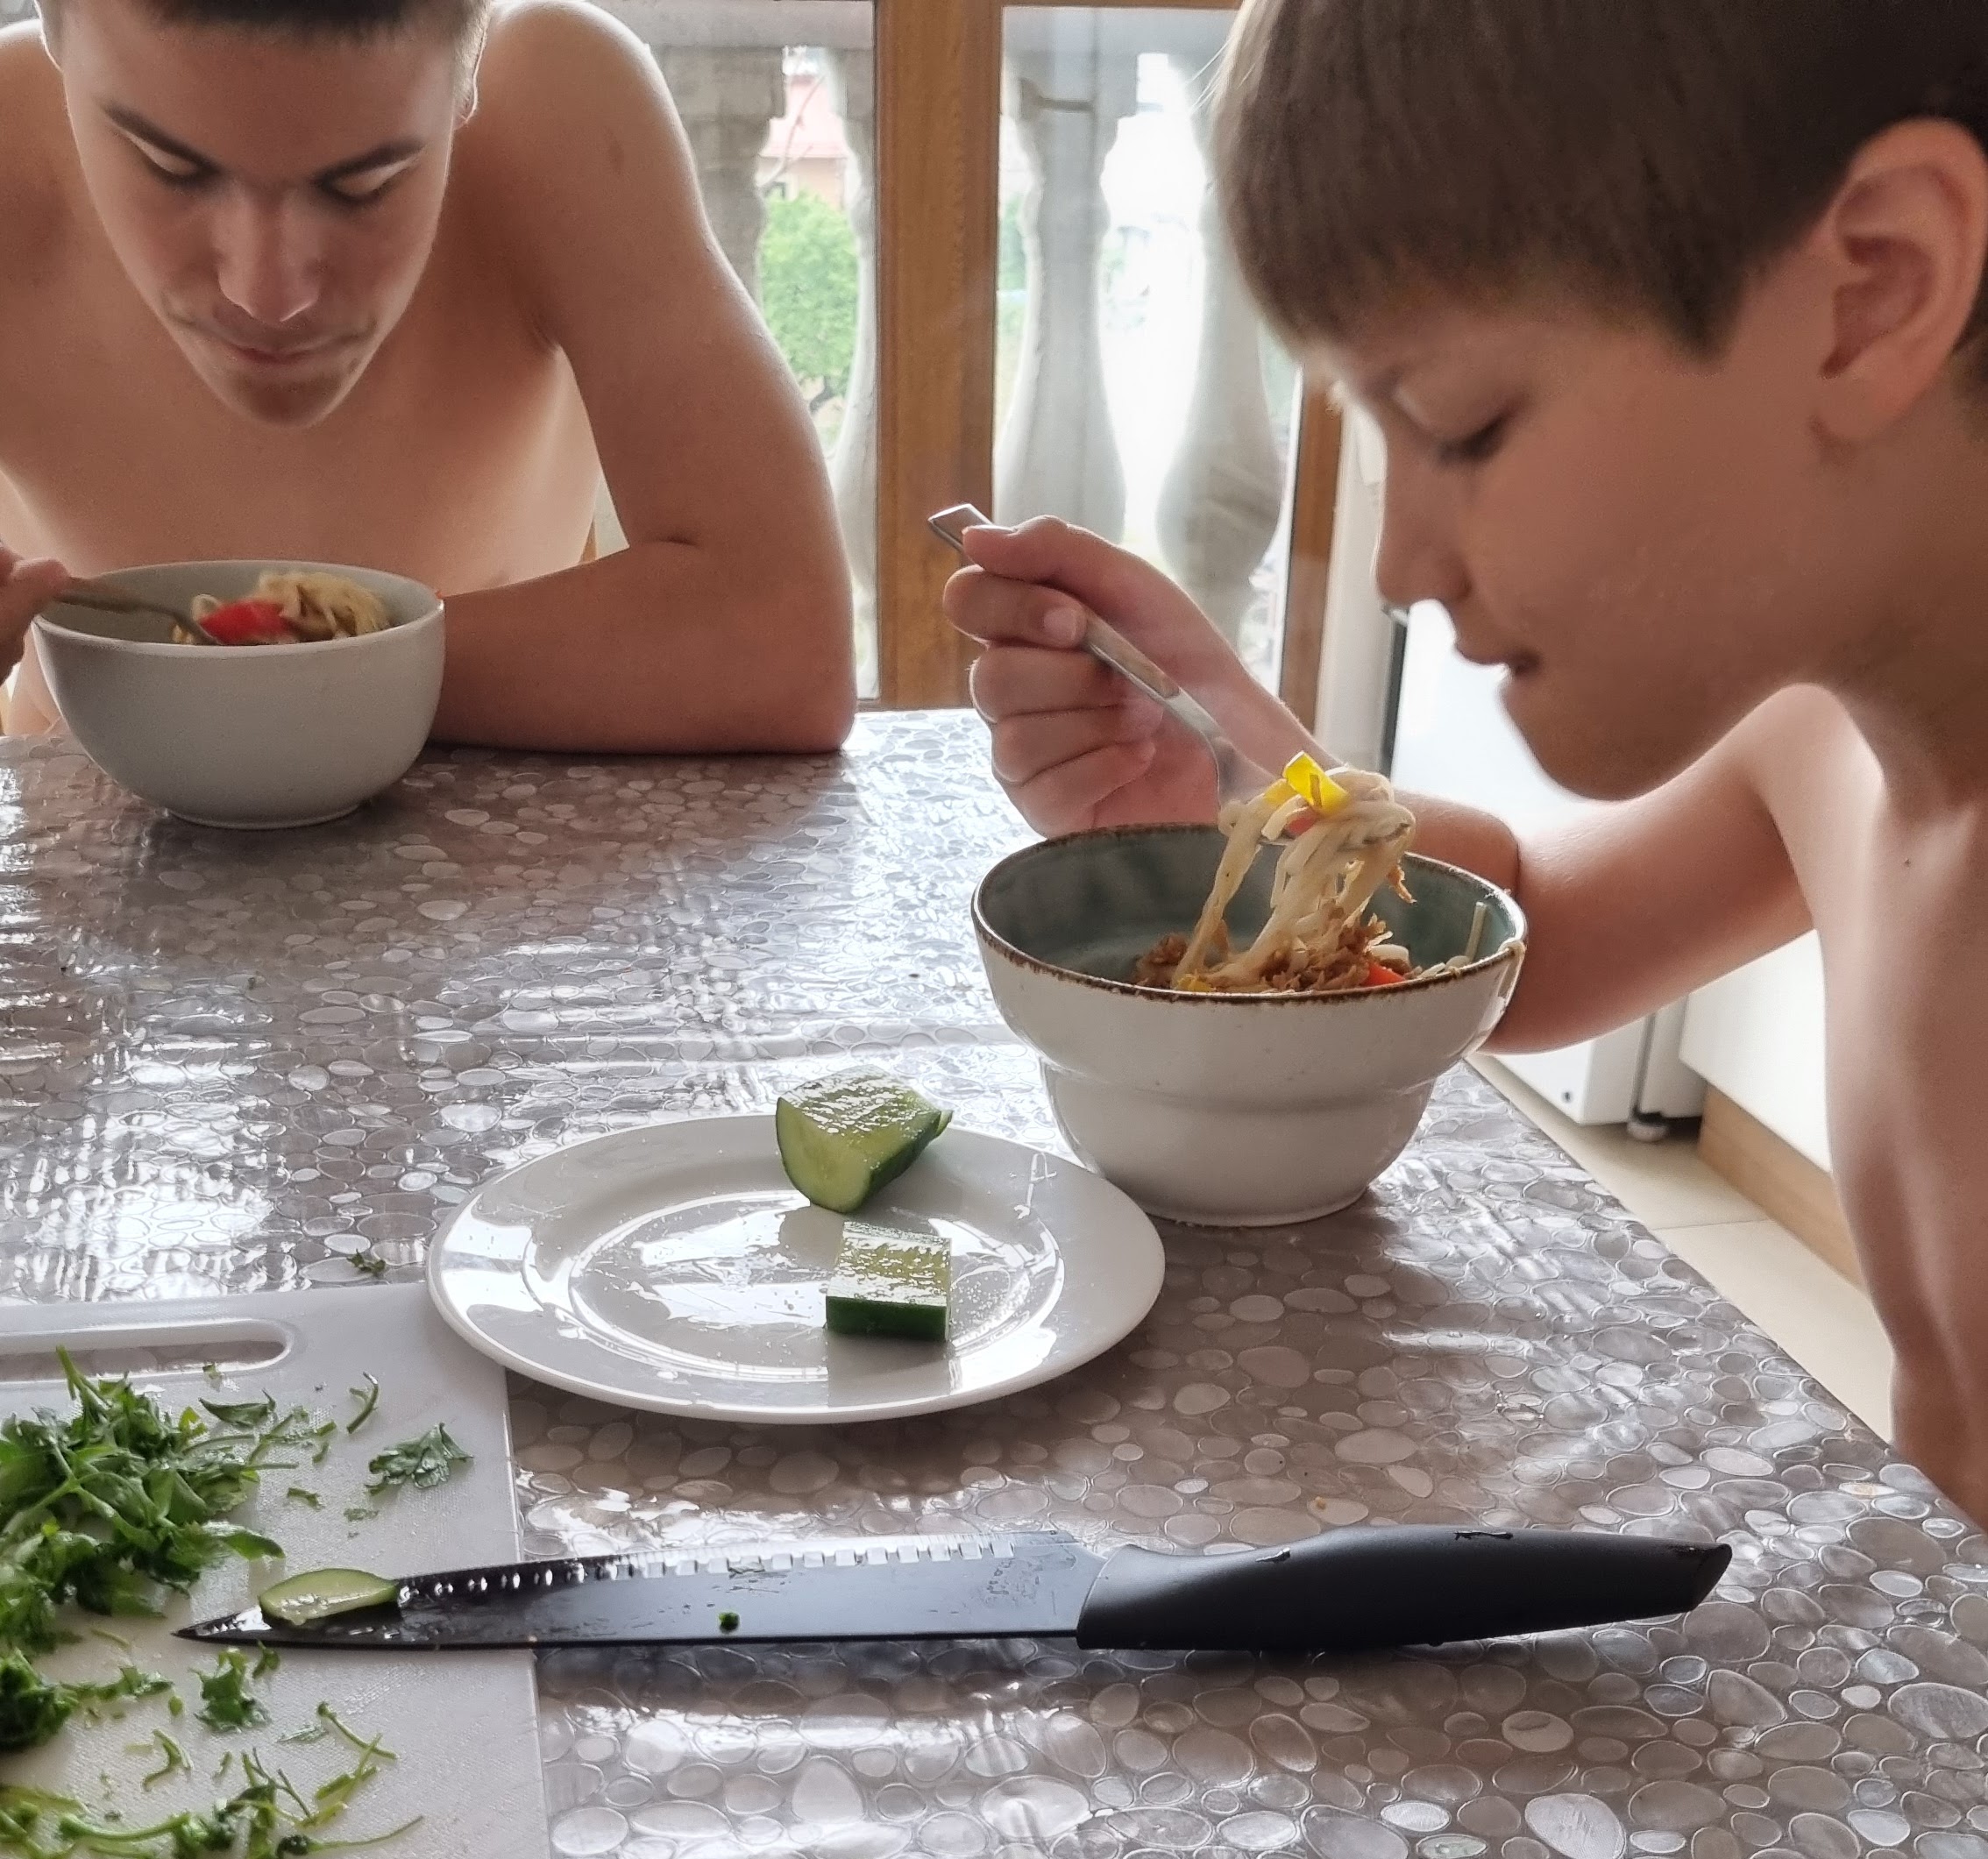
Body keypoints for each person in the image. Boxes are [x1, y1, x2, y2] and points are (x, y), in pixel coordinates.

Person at [947, 0, 1988, 1529]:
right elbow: (1532, 943)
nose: (1400, 568)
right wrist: (1249, 784)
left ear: (1872, 288)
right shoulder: (1825, 741)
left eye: (1464, 426)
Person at [0, 0, 855, 751]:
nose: (268, 295)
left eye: (365, 183)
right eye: (171, 168)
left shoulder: (550, 103)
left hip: (506, 866)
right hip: (82, 845)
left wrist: (261, 666)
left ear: (468, 64)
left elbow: (782, 637)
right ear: (57, 25)